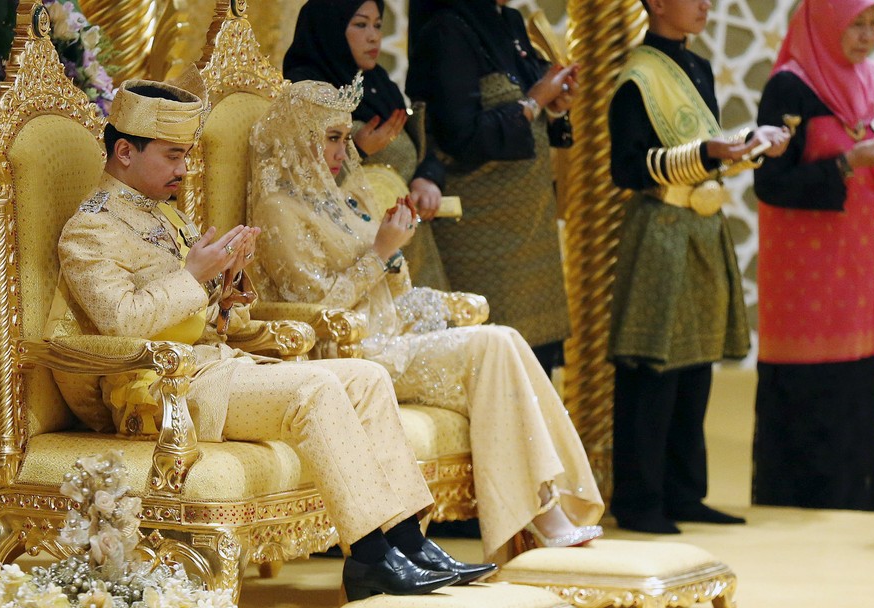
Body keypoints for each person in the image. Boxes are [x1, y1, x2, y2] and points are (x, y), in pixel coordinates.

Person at [46, 75, 494, 602]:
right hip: (159, 393)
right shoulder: (89, 230)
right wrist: (193, 276)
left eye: (186, 155)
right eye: (172, 156)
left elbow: (204, 319)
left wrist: (227, 290)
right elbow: (122, 321)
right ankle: (370, 560)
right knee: (316, 389)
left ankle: (407, 541)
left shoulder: (167, 216)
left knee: (367, 378)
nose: (183, 169)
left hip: (218, 368)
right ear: (124, 151)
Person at [247, 77, 605, 562]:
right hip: (349, 356)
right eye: (331, 137)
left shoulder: (342, 197)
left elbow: (394, 290)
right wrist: (380, 252)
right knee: (494, 346)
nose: (342, 148)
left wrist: (396, 257)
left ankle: (544, 505)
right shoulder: (278, 210)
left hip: (390, 337)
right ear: (296, 137)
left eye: (342, 136)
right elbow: (315, 312)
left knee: (505, 338)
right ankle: (537, 514)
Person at [606, 0, 790, 534]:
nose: (706, 4)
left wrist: (749, 147)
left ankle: (684, 492)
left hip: (702, 229)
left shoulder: (699, 67)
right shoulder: (637, 77)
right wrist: (709, 153)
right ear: (657, 4)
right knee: (652, 363)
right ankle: (640, 500)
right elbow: (629, 168)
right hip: (661, 228)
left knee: (695, 360)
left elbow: (708, 154)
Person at [752, 0, 874, 511]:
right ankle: (799, 506)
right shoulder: (789, 87)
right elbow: (771, 183)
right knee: (810, 390)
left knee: (859, 388)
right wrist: (849, 161)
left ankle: (860, 504)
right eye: (856, 24)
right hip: (805, 276)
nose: (866, 37)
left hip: (863, 265)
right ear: (825, 21)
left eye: (873, 26)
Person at [405, 0, 577, 374]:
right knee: (498, 372)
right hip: (484, 241)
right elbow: (460, 137)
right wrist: (535, 101)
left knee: (538, 375)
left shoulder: (509, 21)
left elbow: (529, 112)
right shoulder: (447, 28)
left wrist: (555, 105)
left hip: (532, 241)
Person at [283, 0, 450, 291]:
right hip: (356, 253)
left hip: (410, 236)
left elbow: (421, 143)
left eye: (377, 25)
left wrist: (428, 178)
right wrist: (356, 149)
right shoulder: (305, 91)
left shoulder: (377, 82)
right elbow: (297, 180)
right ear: (330, 30)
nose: (374, 36)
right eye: (360, 24)